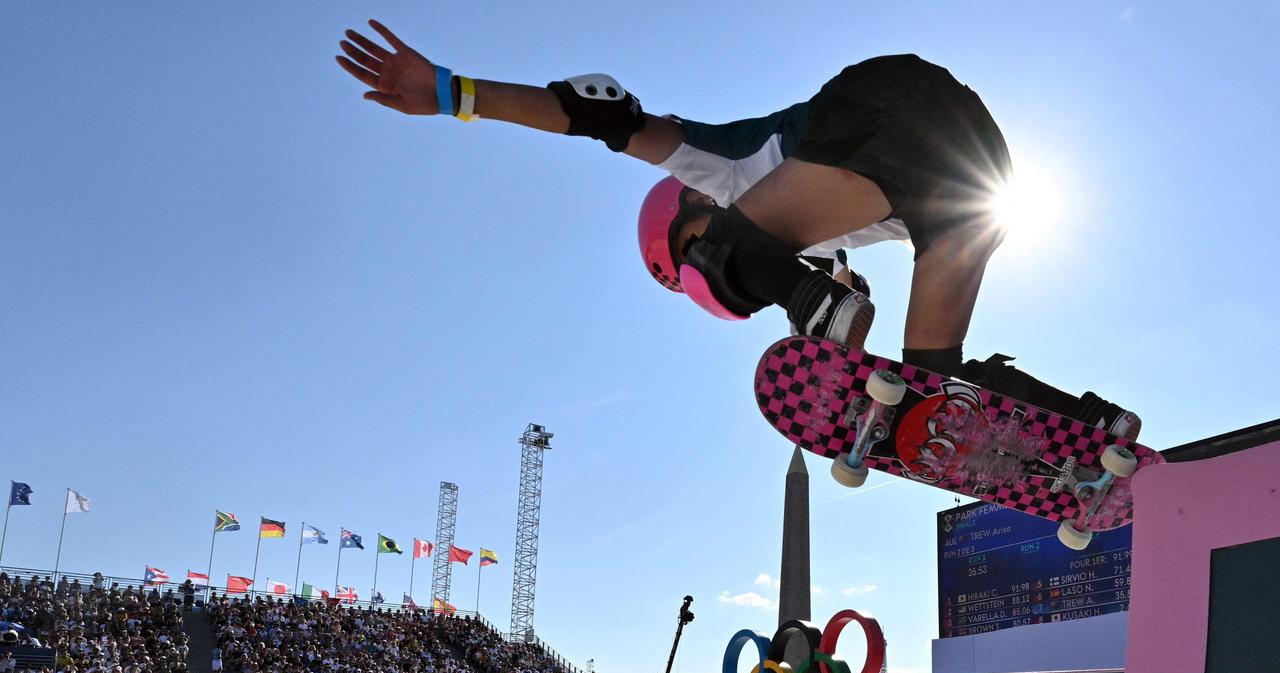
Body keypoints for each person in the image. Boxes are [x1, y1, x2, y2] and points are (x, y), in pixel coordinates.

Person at [335, 20, 1140, 438]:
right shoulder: (826, 241)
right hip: (971, 178)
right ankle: (1089, 431)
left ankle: (811, 309)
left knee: (738, 257)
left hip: (885, 112)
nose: (721, 290)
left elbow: (601, 116)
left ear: (680, 210)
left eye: (685, 258)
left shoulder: (707, 171)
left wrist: (450, 90)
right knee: (936, 390)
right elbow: (867, 359)